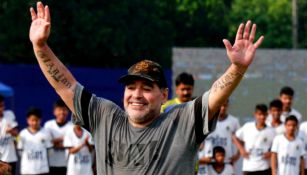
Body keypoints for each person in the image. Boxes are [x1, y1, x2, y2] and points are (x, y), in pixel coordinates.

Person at [29, 2, 264, 174]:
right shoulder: (106, 117)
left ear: (164, 95)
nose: (136, 95)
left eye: (146, 87)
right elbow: (66, 85)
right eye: (131, 87)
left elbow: (215, 95)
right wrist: (40, 47)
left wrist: (237, 68)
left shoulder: (181, 123)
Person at [233, 104, 275, 175]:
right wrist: (241, 150)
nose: (262, 117)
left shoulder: (272, 130)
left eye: (264, 115)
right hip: (249, 167)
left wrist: (271, 153)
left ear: (267, 115)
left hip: (264, 167)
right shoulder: (248, 126)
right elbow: (234, 137)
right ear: (255, 114)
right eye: (259, 114)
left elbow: (277, 146)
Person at [199, 100, 240, 164]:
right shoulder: (206, 120)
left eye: (225, 105)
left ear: (228, 106)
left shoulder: (234, 121)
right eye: (220, 105)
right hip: (209, 160)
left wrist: (237, 155)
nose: (223, 108)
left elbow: (241, 140)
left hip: (227, 160)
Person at [17, 108, 53, 175]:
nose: (34, 122)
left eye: (37, 120)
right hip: (27, 170)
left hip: (42, 170)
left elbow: (50, 151)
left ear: (40, 120)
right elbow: (20, 151)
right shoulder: (22, 134)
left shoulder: (46, 133)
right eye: (32, 120)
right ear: (28, 120)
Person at [44, 99, 72, 175]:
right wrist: (64, 139)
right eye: (59, 109)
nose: (62, 112)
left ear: (68, 111)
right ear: (54, 112)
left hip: (68, 164)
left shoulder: (72, 126)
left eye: (64, 110)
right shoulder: (48, 125)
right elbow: (47, 143)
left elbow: (72, 145)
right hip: (51, 164)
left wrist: (54, 142)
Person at [0, 95, 18, 175]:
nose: (2, 108)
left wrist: (11, 131)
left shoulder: (9, 114)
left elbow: (17, 134)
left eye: (3, 105)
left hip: (10, 158)